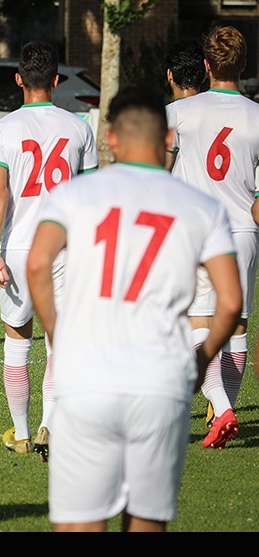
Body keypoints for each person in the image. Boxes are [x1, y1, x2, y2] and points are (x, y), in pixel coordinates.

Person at [27, 85, 242, 532]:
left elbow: (38, 263)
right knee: (146, 521)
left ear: (111, 138)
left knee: (81, 522)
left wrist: (58, 335)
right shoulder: (201, 208)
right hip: (160, 379)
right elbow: (231, 301)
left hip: (86, 376)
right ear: (168, 138)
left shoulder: (73, 195)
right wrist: (201, 360)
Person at [0, 41, 98, 460]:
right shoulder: (79, 127)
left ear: (18, 80)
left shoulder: (0, 130)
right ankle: (51, 421)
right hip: (64, 245)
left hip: (18, 247)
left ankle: (22, 432)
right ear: (55, 80)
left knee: (18, 340)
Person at [165, 26, 259, 448]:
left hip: (198, 231)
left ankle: (221, 410)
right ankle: (224, 415)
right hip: (243, 232)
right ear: (244, 66)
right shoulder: (257, 115)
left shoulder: (179, 112)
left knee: (196, 326)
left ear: (205, 67)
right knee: (236, 326)